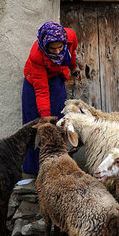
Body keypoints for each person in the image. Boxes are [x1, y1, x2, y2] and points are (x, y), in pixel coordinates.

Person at [21, 21, 80, 175]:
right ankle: (36, 172)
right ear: (44, 46)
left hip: (56, 77)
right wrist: (45, 117)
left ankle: (61, 166)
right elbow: (41, 91)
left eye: (60, 47)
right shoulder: (37, 56)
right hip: (35, 83)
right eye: (53, 49)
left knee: (60, 121)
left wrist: (74, 67)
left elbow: (71, 53)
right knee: (37, 124)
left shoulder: (71, 36)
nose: (57, 51)